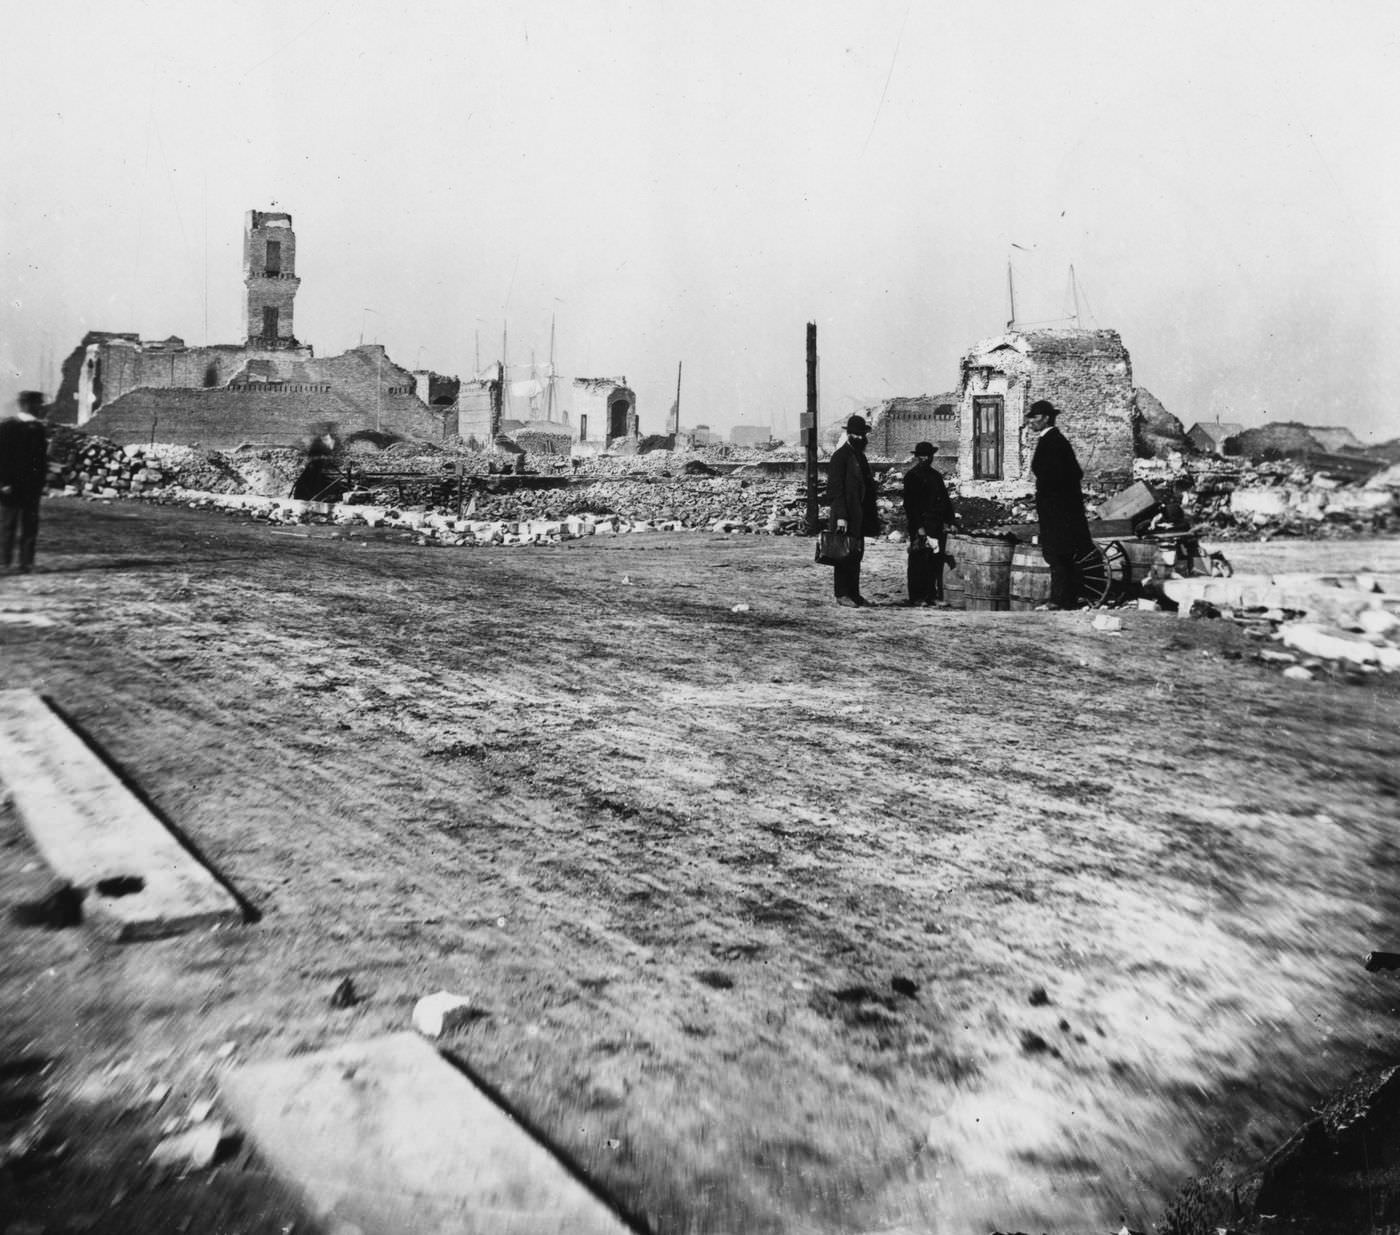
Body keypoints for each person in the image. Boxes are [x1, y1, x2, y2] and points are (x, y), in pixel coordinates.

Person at [1025, 399, 1093, 610]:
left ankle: (1058, 600)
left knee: (1057, 553)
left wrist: (1049, 495)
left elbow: (1061, 475)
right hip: (1057, 507)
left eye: (1034, 418)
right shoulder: (1053, 440)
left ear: (1046, 418)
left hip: (1057, 509)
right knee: (1060, 553)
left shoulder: (1053, 441)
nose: (1031, 422)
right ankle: (1067, 598)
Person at [827, 414, 879, 607]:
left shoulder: (860, 457)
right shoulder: (840, 457)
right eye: (855, 434)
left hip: (858, 516)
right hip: (845, 515)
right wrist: (841, 516)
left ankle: (854, 593)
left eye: (862, 434)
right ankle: (842, 594)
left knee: (855, 554)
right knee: (842, 553)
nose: (859, 438)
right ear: (849, 434)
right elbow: (835, 490)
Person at [0, 391, 50, 574]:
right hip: (10, 486)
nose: (40, 408)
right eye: (38, 404)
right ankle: (4, 562)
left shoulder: (38, 428)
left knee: (30, 525)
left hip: (31, 486)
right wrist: (3, 481)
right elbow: (2, 457)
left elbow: (40, 459)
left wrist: (41, 482)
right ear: (27, 404)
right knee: (8, 524)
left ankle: (26, 563)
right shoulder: (8, 427)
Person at [902, 441, 956, 606]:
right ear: (917, 457)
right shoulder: (912, 476)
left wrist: (950, 520)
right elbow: (910, 506)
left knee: (935, 561)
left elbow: (945, 501)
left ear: (932, 456)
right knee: (919, 560)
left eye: (928, 455)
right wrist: (919, 528)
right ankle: (917, 597)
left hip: (936, 524)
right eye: (922, 456)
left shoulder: (936, 476)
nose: (925, 458)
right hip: (921, 525)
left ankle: (932, 596)